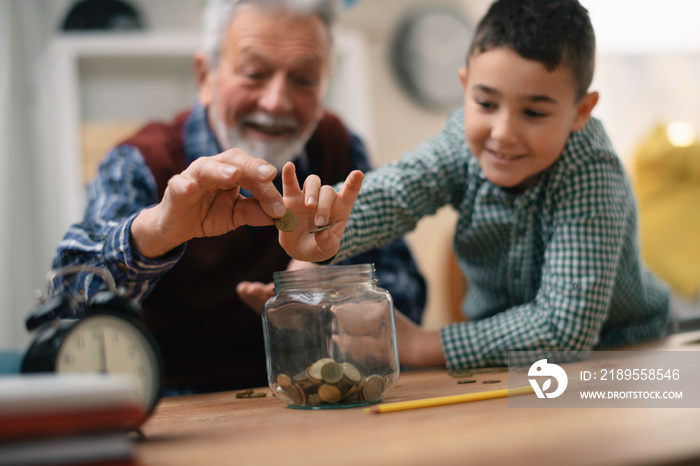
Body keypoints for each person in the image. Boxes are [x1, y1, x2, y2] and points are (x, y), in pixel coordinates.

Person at [51, 0, 425, 392]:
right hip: (174, 407)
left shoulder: (340, 148)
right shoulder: (142, 161)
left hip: (313, 394)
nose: (276, 102)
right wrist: (156, 231)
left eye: (304, 79)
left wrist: (329, 295)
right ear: (205, 76)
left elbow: (406, 292)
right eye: (254, 74)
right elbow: (67, 303)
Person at [279, 0, 671, 370]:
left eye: (533, 112)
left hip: (621, 351)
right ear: (466, 87)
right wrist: (326, 229)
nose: (503, 133)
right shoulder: (461, 144)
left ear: (580, 112)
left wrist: (419, 345)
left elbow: (563, 329)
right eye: (485, 103)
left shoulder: (591, 171)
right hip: (502, 354)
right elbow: (399, 192)